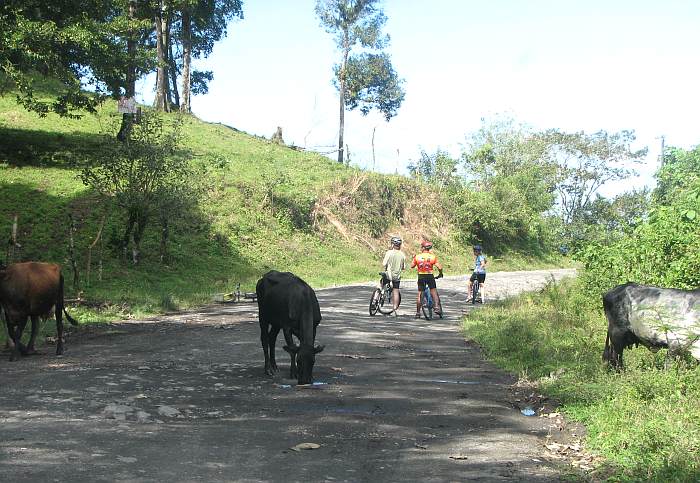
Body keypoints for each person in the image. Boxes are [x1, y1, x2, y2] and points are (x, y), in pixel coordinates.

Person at [411, 240, 443, 318]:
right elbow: (440, 267)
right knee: (433, 291)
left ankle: (418, 313)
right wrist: (440, 273)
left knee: (420, 294)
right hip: (429, 275)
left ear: (422, 248)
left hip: (421, 276)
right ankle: (436, 307)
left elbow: (412, 266)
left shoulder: (417, 256)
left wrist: (413, 258)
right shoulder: (432, 257)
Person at [381, 236, 406, 315]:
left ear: (392, 244)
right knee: (396, 291)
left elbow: (384, 263)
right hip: (396, 276)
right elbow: (403, 267)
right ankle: (395, 309)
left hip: (388, 274)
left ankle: (377, 297)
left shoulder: (389, 252)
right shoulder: (402, 255)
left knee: (381, 283)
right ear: (400, 245)